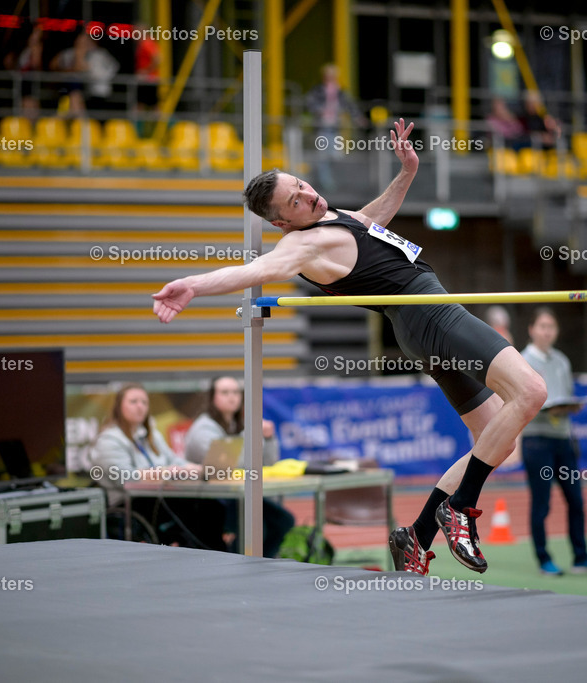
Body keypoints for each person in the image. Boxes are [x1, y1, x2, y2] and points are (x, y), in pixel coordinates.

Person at [153, 118, 548, 576]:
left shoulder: (332, 219)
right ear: (283, 220)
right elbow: (250, 271)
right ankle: (460, 508)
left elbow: (372, 220)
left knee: (494, 441)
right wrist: (191, 285)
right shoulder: (300, 245)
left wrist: (406, 173)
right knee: (532, 392)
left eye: (301, 184)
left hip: (421, 325)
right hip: (430, 314)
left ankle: (418, 536)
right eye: (295, 201)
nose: (307, 195)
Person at [520, 307, 587, 576]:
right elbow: (520, 402)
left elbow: (566, 393)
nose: (547, 331)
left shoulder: (561, 361)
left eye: (551, 326)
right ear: (532, 329)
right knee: (542, 502)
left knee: (576, 501)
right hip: (537, 440)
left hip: (562, 439)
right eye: (542, 326)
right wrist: (547, 409)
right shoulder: (522, 360)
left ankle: (581, 558)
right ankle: (543, 558)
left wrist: (569, 408)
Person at [89, 383, 227, 550]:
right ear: (119, 407)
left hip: (159, 497)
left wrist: (197, 469)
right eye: (133, 402)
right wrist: (166, 472)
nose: (140, 406)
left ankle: (214, 554)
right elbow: (126, 478)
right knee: (199, 510)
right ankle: (210, 555)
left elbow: (173, 460)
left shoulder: (150, 434)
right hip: (130, 503)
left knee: (212, 507)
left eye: (144, 402)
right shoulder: (109, 441)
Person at [183, 376, 295, 558]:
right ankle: (238, 564)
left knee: (283, 521)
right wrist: (250, 435)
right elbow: (227, 467)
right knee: (258, 528)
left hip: (236, 495)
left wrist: (268, 438)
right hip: (208, 500)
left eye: (236, 392)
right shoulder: (203, 430)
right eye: (225, 392)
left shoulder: (237, 425)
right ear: (212, 397)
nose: (232, 397)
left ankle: (259, 564)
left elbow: (267, 464)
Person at [305, 63, 366, 191]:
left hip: (334, 128)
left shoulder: (340, 92)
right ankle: (324, 181)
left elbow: (350, 106)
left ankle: (326, 179)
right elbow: (310, 103)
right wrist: (320, 110)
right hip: (322, 127)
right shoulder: (318, 90)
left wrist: (358, 118)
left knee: (335, 154)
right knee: (322, 156)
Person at [51, 31, 119, 113]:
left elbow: (81, 68)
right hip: (68, 90)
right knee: (74, 93)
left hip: (94, 93)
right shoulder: (69, 53)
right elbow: (53, 65)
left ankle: (79, 122)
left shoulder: (98, 54)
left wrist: (79, 56)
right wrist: (65, 71)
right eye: (80, 41)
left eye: (85, 42)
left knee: (76, 94)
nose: (82, 44)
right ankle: (77, 122)